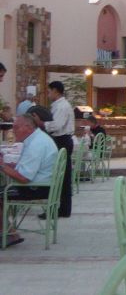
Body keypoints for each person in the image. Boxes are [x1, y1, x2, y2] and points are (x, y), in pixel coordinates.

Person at [0, 115, 58, 246]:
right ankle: (9, 231)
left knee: (2, 192)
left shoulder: (36, 145)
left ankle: (9, 234)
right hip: (44, 184)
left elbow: (24, 178)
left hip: (36, 187)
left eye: (16, 127)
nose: (13, 131)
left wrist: (2, 166)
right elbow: (25, 168)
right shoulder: (38, 138)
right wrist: (7, 165)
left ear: (28, 127)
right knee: (2, 190)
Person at [32, 81, 74, 218]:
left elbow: (57, 125)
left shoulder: (62, 106)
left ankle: (61, 209)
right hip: (60, 140)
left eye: (49, 92)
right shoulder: (58, 105)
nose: (48, 94)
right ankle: (61, 208)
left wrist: (40, 123)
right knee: (61, 175)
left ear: (55, 91)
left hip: (62, 141)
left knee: (61, 176)